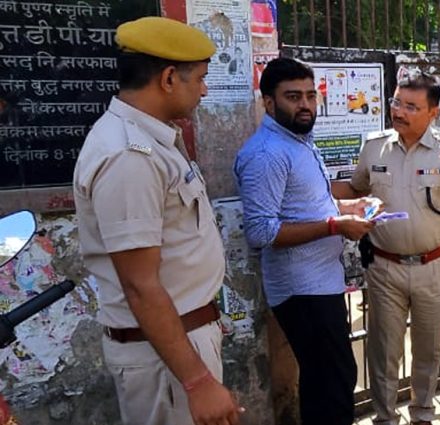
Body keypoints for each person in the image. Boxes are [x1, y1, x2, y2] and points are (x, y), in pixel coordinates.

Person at [73, 17, 242, 425]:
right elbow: (139, 284)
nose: (204, 89)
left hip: (177, 345)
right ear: (168, 78)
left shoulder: (152, 138)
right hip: (165, 356)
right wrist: (198, 381)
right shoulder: (129, 156)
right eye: (199, 78)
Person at [333, 70, 440, 425]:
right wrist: (310, 189)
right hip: (384, 266)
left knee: (428, 348)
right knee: (383, 351)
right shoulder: (375, 146)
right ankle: (384, 418)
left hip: (433, 267)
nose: (399, 111)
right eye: (396, 102)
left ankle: (423, 414)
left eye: (411, 106)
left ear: (433, 113)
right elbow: (355, 188)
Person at [234, 58, 374, 425]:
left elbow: (303, 205)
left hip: (320, 283)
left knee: (330, 381)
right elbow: (261, 231)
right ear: (268, 102)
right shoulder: (267, 154)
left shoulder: (297, 141)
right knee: (332, 385)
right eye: (293, 97)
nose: (306, 105)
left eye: (311, 95)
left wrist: (346, 206)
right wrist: (334, 225)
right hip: (301, 291)